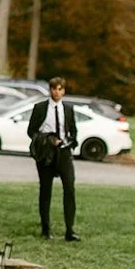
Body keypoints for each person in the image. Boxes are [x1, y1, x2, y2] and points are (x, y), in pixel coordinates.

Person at [27, 77, 80, 241]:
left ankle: (70, 230)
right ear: (50, 90)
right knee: (45, 189)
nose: (57, 92)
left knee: (69, 188)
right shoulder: (40, 108)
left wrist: (69, 141)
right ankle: (45, 228)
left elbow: (73, 131)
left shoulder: (69, 109)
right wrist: (47, 139)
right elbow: (31, 131)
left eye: (60, 89)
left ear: (64, 91)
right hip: (46, 153)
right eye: (54, 89)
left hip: (63, 152)